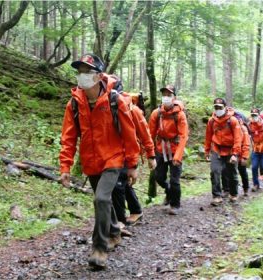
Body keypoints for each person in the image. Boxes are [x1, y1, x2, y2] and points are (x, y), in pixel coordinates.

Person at [59, 53, 140, 268]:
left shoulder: (116, 101)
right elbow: (68, 137)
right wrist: (65, 166)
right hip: (91, 161)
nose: (81, 76)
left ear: (98, 76)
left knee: (101, 200)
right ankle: (114, 231)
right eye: (79, 71)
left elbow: (129, 134)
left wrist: (132, 165)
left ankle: (99, 249)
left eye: (87, 71)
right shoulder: (74, 104)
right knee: (103, 200)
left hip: (113, 159)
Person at [112, 90, 156, 225]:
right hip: (112, 152)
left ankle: (119, 221)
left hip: (128, 152)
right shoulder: (106, 107)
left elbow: (145, 133)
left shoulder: (133, 110)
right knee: (123, 182)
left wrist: (151, 155)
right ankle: (136, 211)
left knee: (119, 183)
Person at [149, 85, 188, 215]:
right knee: (159, 176)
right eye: (164, 94)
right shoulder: (157, 113)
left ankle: (175, 205)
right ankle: (169, 191)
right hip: (161, 148)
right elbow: (150, 133)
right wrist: (150, 152)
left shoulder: (180, 115)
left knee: (174, 179)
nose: (166, 97)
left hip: (175, 148)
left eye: (169, 95)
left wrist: (178, 156)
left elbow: (183, 136)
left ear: (174, 97)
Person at [205, 98, 242, 206]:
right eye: (215, 107)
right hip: (216, 149)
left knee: (232, 174)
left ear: (225, 108)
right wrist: (207, 151)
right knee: (214, 171)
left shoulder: (233, 120)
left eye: (220, 107)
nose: (218, 109)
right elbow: (208, 136)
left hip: (230, 150)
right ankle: (216, 196)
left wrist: (235, 154)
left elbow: (238, 138)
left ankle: (233, 193)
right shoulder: (211, 121)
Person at [221, 110, 251, 197]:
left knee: (242, 171)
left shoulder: (243, 129)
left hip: (240, 153)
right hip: (230, 152)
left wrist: (244, 157)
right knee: (225, 171)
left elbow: (246, 144)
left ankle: (245, 188)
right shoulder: (228, 126)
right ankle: (226, 189)